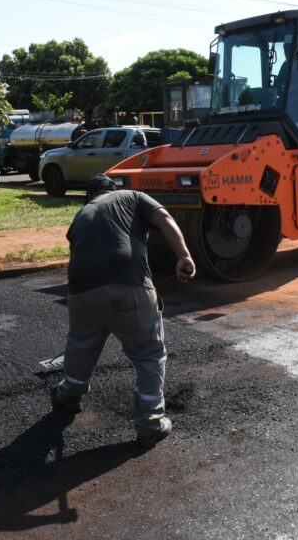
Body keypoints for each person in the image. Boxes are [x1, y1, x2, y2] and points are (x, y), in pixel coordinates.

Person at [54, 174, 196, 446]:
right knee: (149, 353)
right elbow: (164, 219)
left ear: (89, 196)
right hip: (129, 286)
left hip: (80, 292)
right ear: (114, 189)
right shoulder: (133, 196)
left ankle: (70, 394)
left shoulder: (81, 215)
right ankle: (151, 422)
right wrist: (183, 255)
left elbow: (79, 255)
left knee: (81, 342)